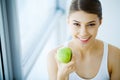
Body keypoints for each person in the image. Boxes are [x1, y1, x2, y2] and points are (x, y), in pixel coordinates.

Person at [47, 0, 120, 80]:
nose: (83, 33)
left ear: (100, 22)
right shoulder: (53, 57)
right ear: (68, 21)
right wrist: (61, 76)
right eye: (77, 24)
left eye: (91, 24)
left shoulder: (115, 56)